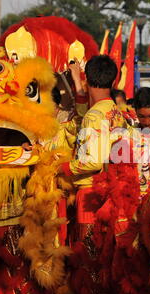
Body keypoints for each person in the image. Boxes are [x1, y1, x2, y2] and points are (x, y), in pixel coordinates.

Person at [57, 55, 127, 242]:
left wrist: (62, 168)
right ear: (114, 80)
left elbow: (93, 161)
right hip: (108, 188)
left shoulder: (95, 115)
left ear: (87, 79)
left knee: (89, 254)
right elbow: (84, 118)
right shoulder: (115, 111)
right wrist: (77, 84)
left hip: (91, 192)